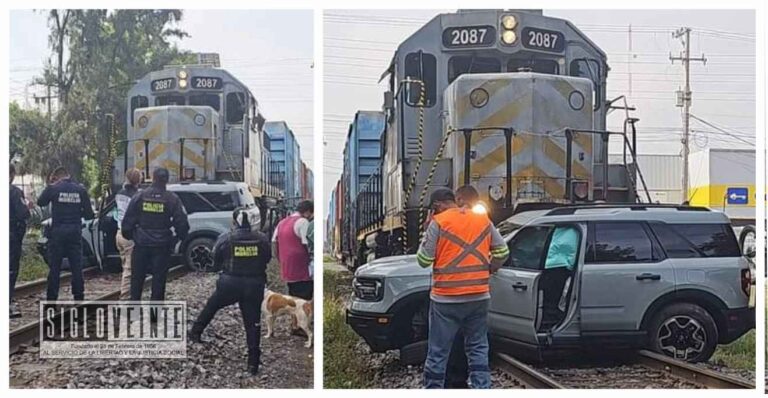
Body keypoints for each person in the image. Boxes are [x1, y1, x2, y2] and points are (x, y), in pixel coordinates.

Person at [416, 188, 509, 389]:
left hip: (446, 299)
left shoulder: (438, 223)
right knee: (477, 347)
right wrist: (490, 268)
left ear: (436, 206)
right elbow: (503, 251)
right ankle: (481, 387)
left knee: (438, 351)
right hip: (478, 296)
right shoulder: (482, 219)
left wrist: (427, 229)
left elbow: (423, 260)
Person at [189, 208, 271, 375]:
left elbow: (215, 258)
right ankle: (253, 363)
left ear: (234, 222)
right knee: (252, 322)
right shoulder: (262, 239)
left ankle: (195, 332)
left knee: (212, 306)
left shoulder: (226, 238)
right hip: (254, 285)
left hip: (229, 284)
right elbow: (267, 258)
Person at [122, 167, 189, 303]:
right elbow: (181, 223)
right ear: (167, 180)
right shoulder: (172, 199)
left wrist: (132, 236)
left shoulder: (140, 196)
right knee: (159, 281)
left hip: (141, 244)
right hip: (162, 246)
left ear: (152, 178)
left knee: (137, 279)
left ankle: (133, 312)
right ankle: (155, 315)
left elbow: (128, 221)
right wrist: (177, 239)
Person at [37, 166, 95, 301]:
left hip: (57, 233)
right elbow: (89, 215)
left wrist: (51, 185)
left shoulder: (53, 188)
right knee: (76, 267)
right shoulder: (80, 190)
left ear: (56, 177)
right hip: (75, 233)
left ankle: (51, 299)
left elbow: (40, 202)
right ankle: (78, 296)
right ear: (68, 175)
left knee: (55, 267)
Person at [272, 200, 313, 300]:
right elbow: (307, 244)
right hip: (302, 270)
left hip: (287, 270)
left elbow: (274, 243)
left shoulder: (281, 223)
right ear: (307, 212)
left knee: (293, 300)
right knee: (304, 301)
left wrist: (281, 261)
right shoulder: (303, 222)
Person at [113, 168, 142, 300]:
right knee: (129, 271)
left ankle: (127, 293)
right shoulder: (137, 196)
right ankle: (124, 300)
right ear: (139, 180)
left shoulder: (119, 194)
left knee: (125, 265)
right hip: (130, 236)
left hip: (119, 234)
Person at [10, 164, 31, 317]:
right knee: (10, 269)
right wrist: (29, 206)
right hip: (11, 235)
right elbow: (23, 213)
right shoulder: (14, 192)